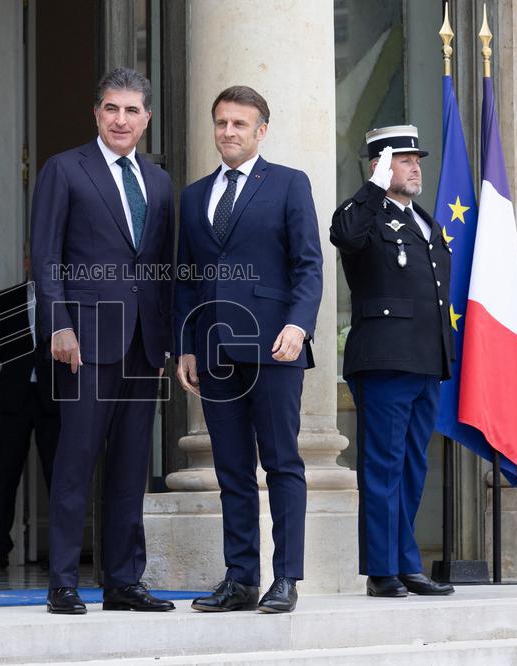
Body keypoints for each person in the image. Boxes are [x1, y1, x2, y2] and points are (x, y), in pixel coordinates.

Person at [30, 68, 175, 615]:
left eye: (132, 110)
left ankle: (123, 581)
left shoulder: (159, 182)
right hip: (85, 339)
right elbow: (46, 258)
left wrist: (164, 340)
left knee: (131, 464)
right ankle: (64, 581)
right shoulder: (65, 170)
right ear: (97, 113)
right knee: (77, 458)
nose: (121, 119)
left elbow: (160, 267)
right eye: (111, 108)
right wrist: (58, 325)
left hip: (142, 345)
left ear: (147, 119)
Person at [174, 86, 323, 614]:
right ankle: (240, 579)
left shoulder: (287, 184)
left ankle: (285, 578)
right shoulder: (193, 197)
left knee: (282, 463)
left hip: (274, 347)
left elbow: (309, 265)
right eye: (221, 123)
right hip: (214, 351)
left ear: (262, 130)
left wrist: (299, 327)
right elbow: (187, 280)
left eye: (240, 123)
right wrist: (186, 347)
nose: (229, 132)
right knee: (231, 469)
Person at [330, 125, 455, 598]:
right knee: (383, 466)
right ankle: (381, 570)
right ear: (380, 164)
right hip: (384, 358)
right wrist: (372, 188)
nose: (415, 166)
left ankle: (406, 563)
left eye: (416, 158)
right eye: (403, 159)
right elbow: (345, 236)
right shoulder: (363, 213)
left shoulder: (424, 222)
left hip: (425, 360)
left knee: (411, 467)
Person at [0, 262, 59, 572]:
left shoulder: (62, 297)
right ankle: (0, 549)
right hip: (14, 397)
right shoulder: (7, 298)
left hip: (51, 398)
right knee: (6, 475)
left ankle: (59, 549)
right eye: (33, 257)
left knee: (57, 475)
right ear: (27, 262)